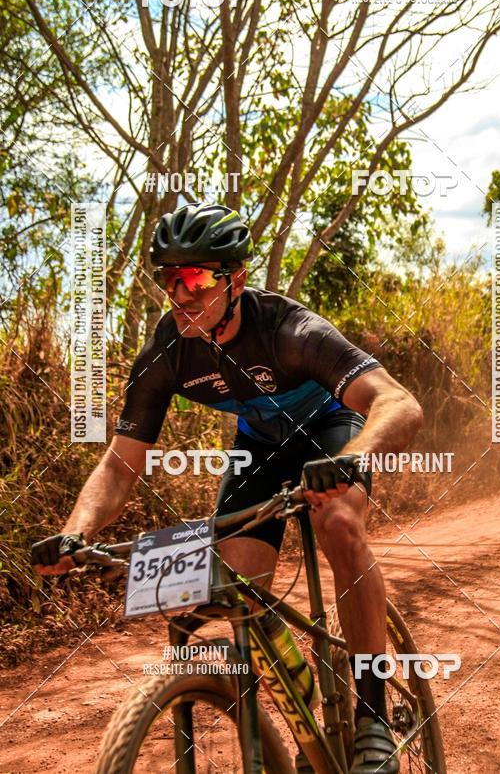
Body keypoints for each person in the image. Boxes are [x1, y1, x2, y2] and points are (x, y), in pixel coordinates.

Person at [32, 202, 423, 773]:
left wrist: (350, 461)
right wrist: (75, 534)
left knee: (337, 522)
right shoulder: (167, 350)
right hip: (261, 448)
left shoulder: (291, 331)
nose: (181, 294)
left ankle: (372, 720)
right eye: (170, 280)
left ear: (234, 279)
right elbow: (120, 467)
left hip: (330, 431)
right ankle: (303, 711)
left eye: (194, 278)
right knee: (232, 580)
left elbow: (399, 402)